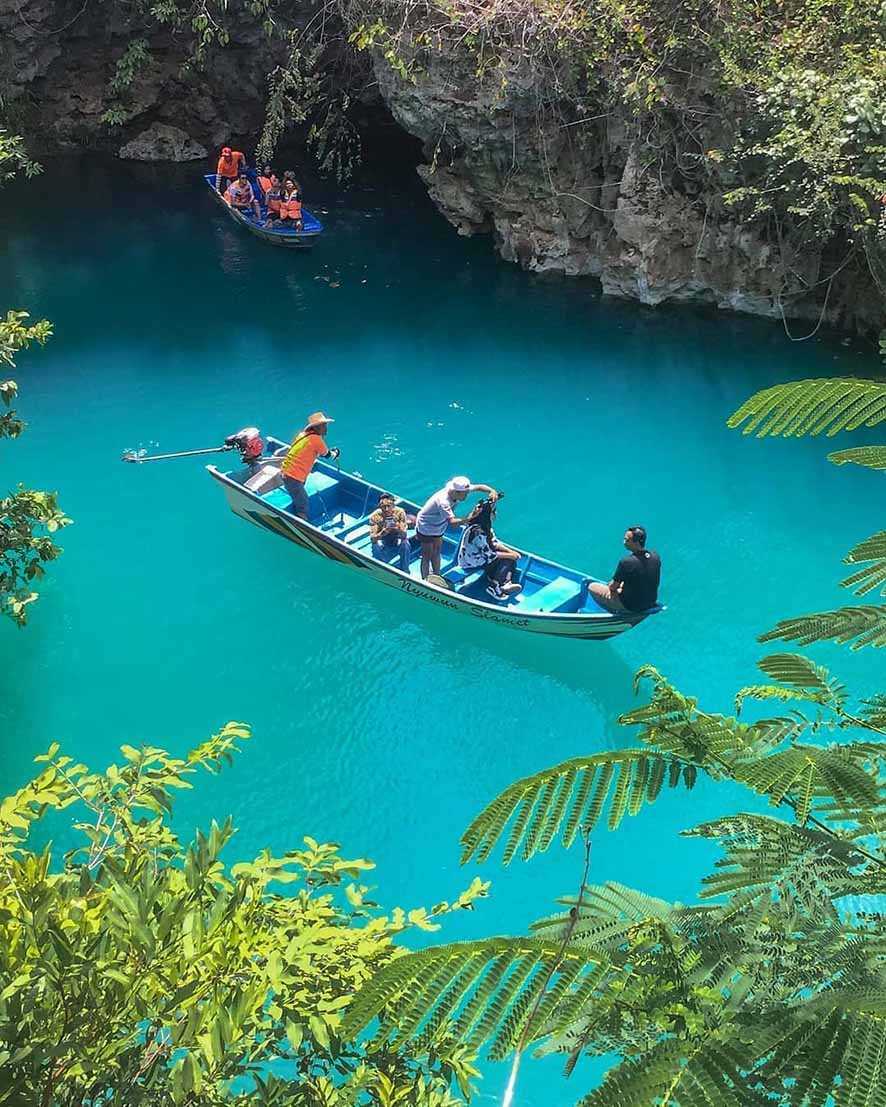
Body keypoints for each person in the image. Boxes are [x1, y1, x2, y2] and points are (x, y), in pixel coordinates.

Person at [415, 476, 499, 580]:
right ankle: (425, 579)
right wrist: (470, 517)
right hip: (426, 526)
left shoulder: (460, 489)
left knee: (437, 551)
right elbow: (453, 523)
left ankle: (436, 576)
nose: (467, 495)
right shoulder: (443, 502)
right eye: (465, 494)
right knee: (427, 554)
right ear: (456, 492)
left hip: (440, 525)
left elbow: (480, 487)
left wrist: (491, 491)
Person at [457, 497, 522, 599]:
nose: (495, 514)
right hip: (471, 561)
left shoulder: (485, 527)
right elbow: (489, 554)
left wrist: (511, 552)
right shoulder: (478, 532)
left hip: (480, 556)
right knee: (508, 560)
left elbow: (494, 543)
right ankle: (495, 588)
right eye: (494, 512)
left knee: (510, 558)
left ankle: (504, 583)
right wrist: (511, 556)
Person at [280, 412, 340, 520]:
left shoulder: (302, 435)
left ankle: (297, 510)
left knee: (298, 496)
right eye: (323, 426)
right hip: (294, 476)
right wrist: (335, 453)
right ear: (317, 427)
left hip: (288, 472)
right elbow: (326, 454)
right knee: (303, 503)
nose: (326, 428)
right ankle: (302, 522)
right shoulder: (316, 440)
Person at [589, 525, 661, 613]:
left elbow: (613, 587)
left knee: (591, 586)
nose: (623, 542)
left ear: (636, 542)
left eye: (626, 540)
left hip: (631, 606)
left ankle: (614, 610)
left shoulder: (627, 562)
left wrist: (613, 586)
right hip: (650, 602)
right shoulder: (655, 556)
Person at [369, 492, 411, 572]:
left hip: (396, 540)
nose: (386, 509)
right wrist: (384, 531)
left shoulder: (400, 512)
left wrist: (396, 528)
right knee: (375, 546)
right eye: (383, 506)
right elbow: (373, 539)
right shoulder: (375, 516)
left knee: (405, 543)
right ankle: (378, 566)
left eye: (389, 506)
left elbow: (404, 535)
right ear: (380, 506)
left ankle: (404, 569)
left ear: (393, 505)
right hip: (383, 541)